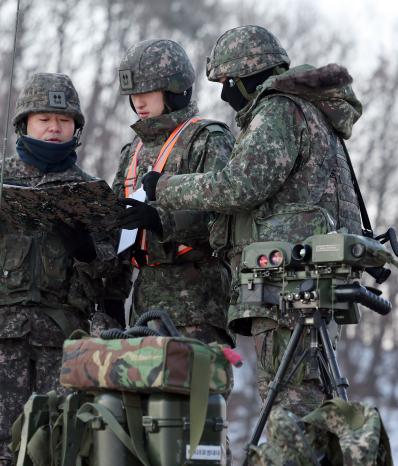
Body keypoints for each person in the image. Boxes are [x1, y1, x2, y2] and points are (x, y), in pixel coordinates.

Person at [137, 26, 364, 416]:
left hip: (288, 282)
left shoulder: (279, 108)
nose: (226, 93)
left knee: (288, 403)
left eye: (227, 82)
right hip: (311, 276)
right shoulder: (314, 113)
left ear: (246, 75)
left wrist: (165, 188)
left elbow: (240, 184)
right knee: (312, 394)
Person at [0, 72, 114, 465]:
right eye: (44, 119)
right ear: (24, 123)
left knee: (61, 444)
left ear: (75, 129)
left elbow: (114, 275)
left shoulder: (91, 189)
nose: (53, 128)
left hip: (64, 340)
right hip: (1, 338)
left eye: (63, 121)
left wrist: (86, 249)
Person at [112, 39, 235, 345]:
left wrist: (160, 221)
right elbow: (114, 218)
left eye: (146, 92)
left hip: (197, 307)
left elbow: (223, 221)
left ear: (174, 91)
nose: (138, 102)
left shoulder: (207, 139)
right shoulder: (133, 150)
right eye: (133, 95)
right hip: (143, 308)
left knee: (190, 393)